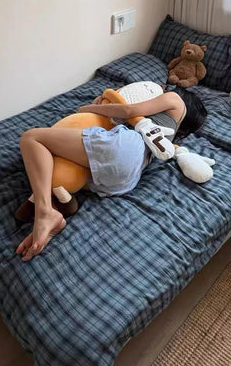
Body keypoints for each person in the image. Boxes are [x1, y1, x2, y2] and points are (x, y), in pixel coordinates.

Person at [16, 88, 207, 261]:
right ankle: (53, 210)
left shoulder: (175, 99)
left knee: (31, 137)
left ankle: (44, 211)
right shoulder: (168, 137)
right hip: (126, 180)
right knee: (60, 166)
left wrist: (88, 108)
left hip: (126, 149)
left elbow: (128, 111)